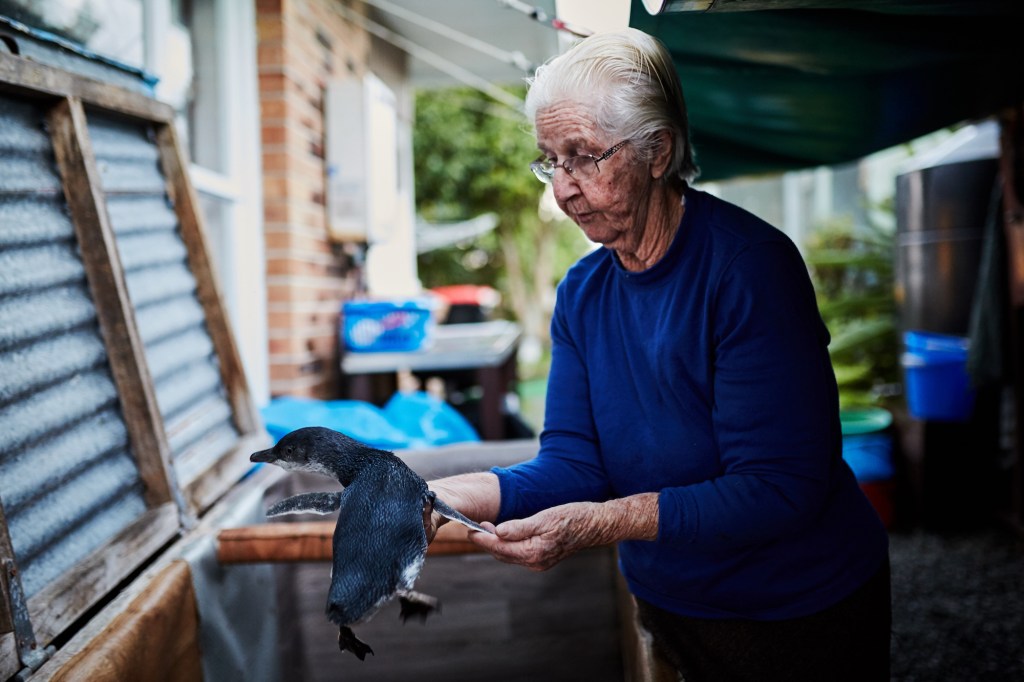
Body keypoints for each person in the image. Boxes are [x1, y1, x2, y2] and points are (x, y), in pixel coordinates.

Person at [427, 27, 891, 681]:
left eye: (584, 156)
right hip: (671, 600)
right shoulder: (583, 293)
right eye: (550, 160)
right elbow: (574, 464)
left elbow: (781, 487)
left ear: (657, 151)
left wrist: (600, 524)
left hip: (797, 607)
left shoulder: (748, 269)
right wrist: (438, 493)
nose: (562, 189)